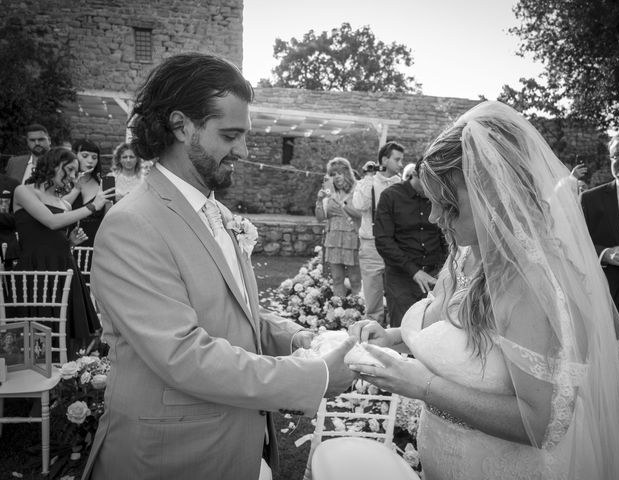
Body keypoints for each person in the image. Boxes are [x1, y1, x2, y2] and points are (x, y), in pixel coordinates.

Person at [81, 53, 355, 480]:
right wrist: (312, 378)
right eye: (230, 135)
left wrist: (299, 336)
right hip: (171, 458)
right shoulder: (132, 224)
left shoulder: (212, 210)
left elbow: (234, 311)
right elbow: (184, 355)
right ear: (180, 125)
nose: (243, 150)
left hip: (236, 446)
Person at [349, 101, 619, 479]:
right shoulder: (464, 256)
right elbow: (451, 323)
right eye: (433, 204)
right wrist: (389, 337)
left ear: (494, 196)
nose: (436, 218)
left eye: (448, 206)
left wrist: (423, 386)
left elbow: (544, 424)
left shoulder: (533, 284)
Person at [12, 147, 109, 353]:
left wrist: (70, 242)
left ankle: (67, 376)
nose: (74, 176)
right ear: (54, 165)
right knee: (36, 328)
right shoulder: (24, 191)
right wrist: (93, 206)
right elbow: (51, 222)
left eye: (76, 172)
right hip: (36, 268)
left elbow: (56, 237)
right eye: (71, 170)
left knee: (67, 327)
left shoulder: (64, 203)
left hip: (64, 268)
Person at [581, 131, 619, 378]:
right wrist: (604, 253)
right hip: (604, 308)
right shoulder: (589, 199)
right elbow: (570, 245)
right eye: (616, 154)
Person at [374, 160, 447, 327]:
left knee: (432, 332)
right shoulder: (391, 196)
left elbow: (444, 235)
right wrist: (414, 271)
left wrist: (444, 269)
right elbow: (383, 240)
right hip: (402, 278)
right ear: (415, 174)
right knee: (401, 333)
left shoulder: (436, 197)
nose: (431, 189)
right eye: (427, 183)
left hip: (434, 275)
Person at [352, 142, 404, 323]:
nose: (401, 164)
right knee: (373, 303)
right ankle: (373, 343)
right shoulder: (368, 182)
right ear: (384, 159)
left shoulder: (401, 184)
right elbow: (360, 205)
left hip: (396, 245)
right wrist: (368, 177)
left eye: (401, 160)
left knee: (398, 298)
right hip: (371, 245)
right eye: (397, 159)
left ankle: (395, 341)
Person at [315, 157, 361, 297]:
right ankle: (338, 310)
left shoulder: (357, 188)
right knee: (336, 278)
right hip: (333, 239)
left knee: (355, 279)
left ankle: (358, 309)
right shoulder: (329, 192)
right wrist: (319, 200)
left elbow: (360, 214)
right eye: (333, 174)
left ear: (347, 173)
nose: (337, 177)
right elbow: (320, 218)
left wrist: (342, 203)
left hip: (352, 238)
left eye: (340, 173)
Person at [63, 139, 112, 247]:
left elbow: (109, 220)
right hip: (67, 243)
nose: (90, 161)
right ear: (74, 156)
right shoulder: (62, 181)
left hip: (95, 245)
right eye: (85, 156)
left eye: (94, 157)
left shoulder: (107, 183)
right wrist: (76, 188)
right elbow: (58, 210)